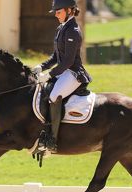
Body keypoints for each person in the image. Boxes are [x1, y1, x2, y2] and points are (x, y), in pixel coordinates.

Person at [32, 0, 92, 152]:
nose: (56, 15)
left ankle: (52, 139)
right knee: (42, 91)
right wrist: (42, 66)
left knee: (54, 96)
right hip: (63, 71)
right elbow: (55, 57)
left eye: (59, 12)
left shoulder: (73, 31)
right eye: (56, 12)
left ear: (69, 11)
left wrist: (49, 74)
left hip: (73, 73)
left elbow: (67, 61)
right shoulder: (61, 29)